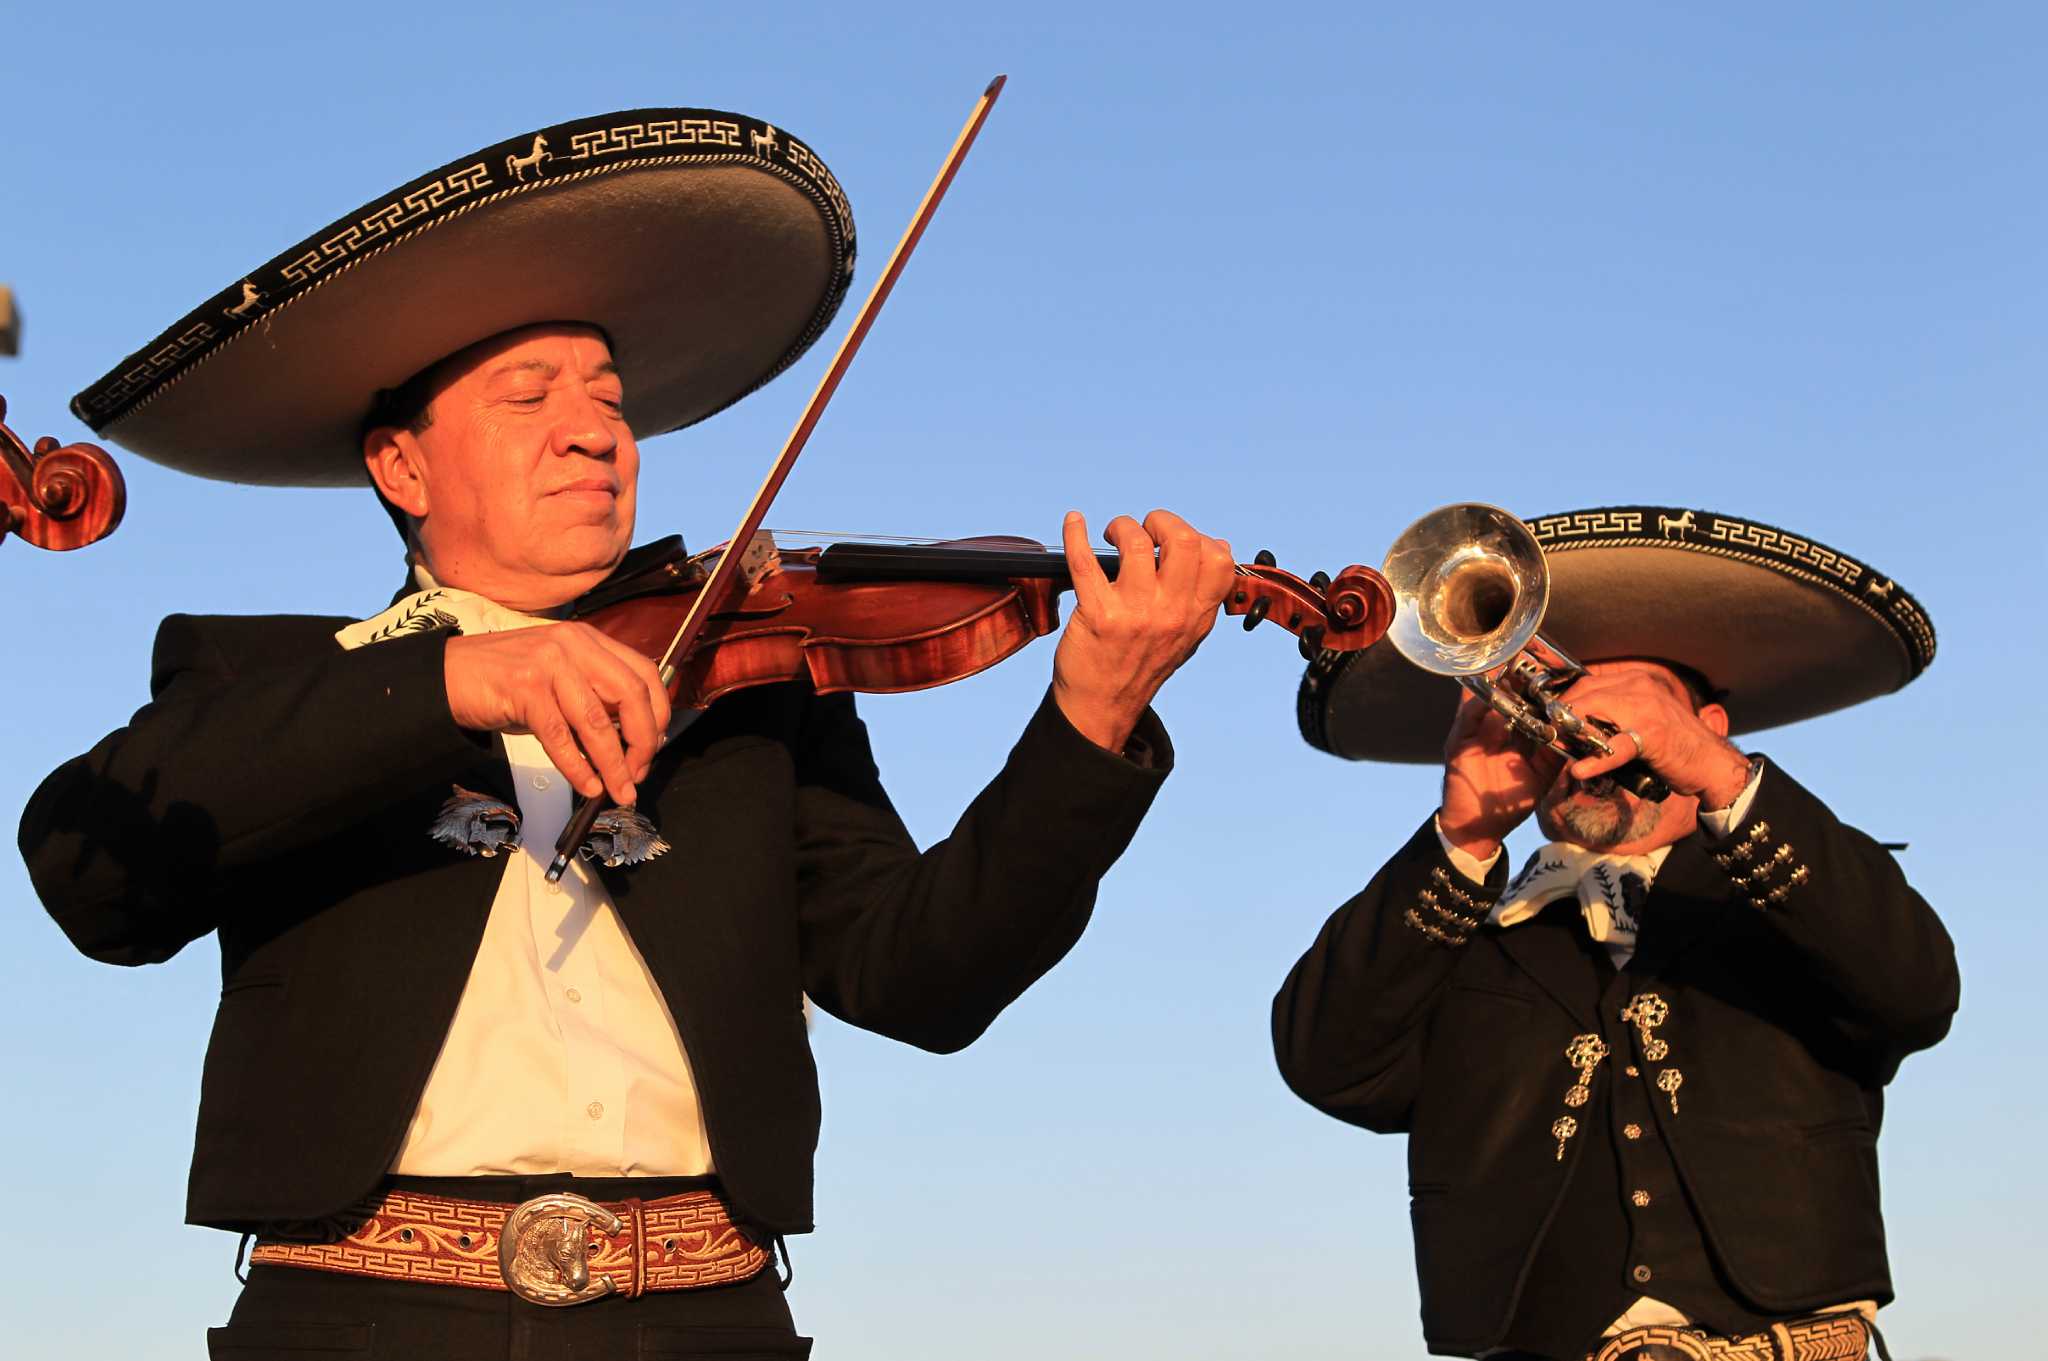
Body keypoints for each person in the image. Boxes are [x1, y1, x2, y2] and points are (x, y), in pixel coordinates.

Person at [21, 106, 1232, 1359]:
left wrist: (1092, 712)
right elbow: (91, 873)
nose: (597, 428)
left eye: (609, 397)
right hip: (365, 1316)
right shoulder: (272, 678)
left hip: (707, 1316)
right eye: (528, 394)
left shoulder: (750, 693)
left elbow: (922, 978)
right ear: (403, 464)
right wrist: (456, 679)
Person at [1277, 504, 1957, 1361]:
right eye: (1565, 708)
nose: (1589, 735)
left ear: (1708, 731)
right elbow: (1326, 1062)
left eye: (1635, 709)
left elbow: (1917, 989)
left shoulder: (1803, 900)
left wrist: (1719, 779)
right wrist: (1464, 837)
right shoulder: (1466, 942)